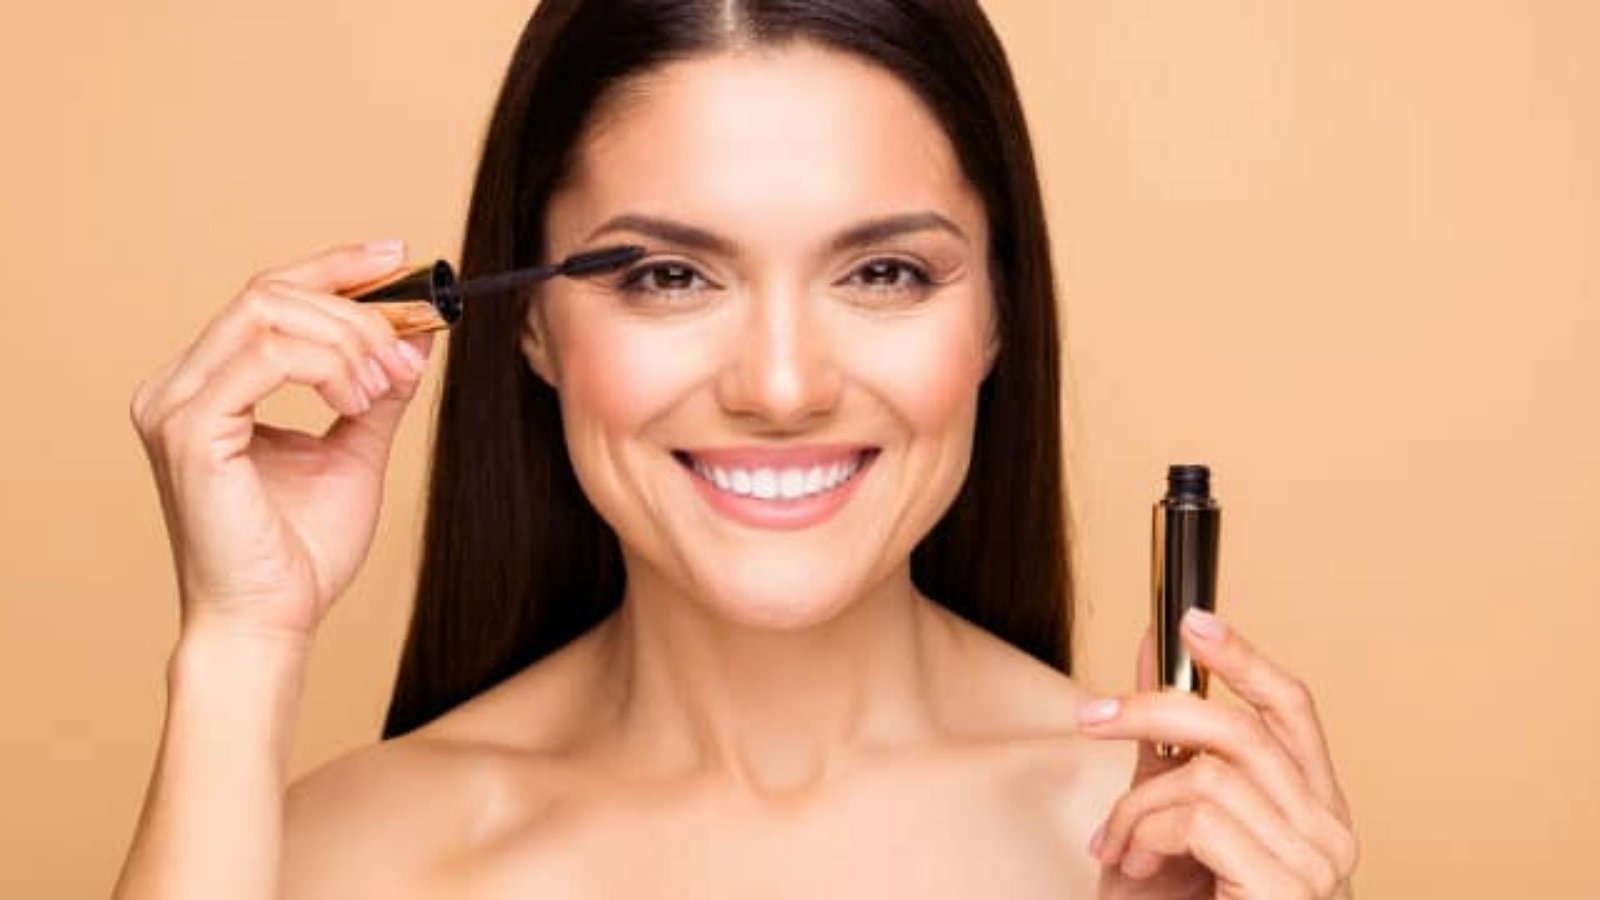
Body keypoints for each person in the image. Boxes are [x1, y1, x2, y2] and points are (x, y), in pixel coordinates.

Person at [115, 1, 1357, 897]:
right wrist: (240, 644)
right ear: (534, 323)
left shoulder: (1172, 851)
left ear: (996, 317)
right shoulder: (343, 856)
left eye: (882, 272)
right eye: (667, 274)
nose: (780, 386)